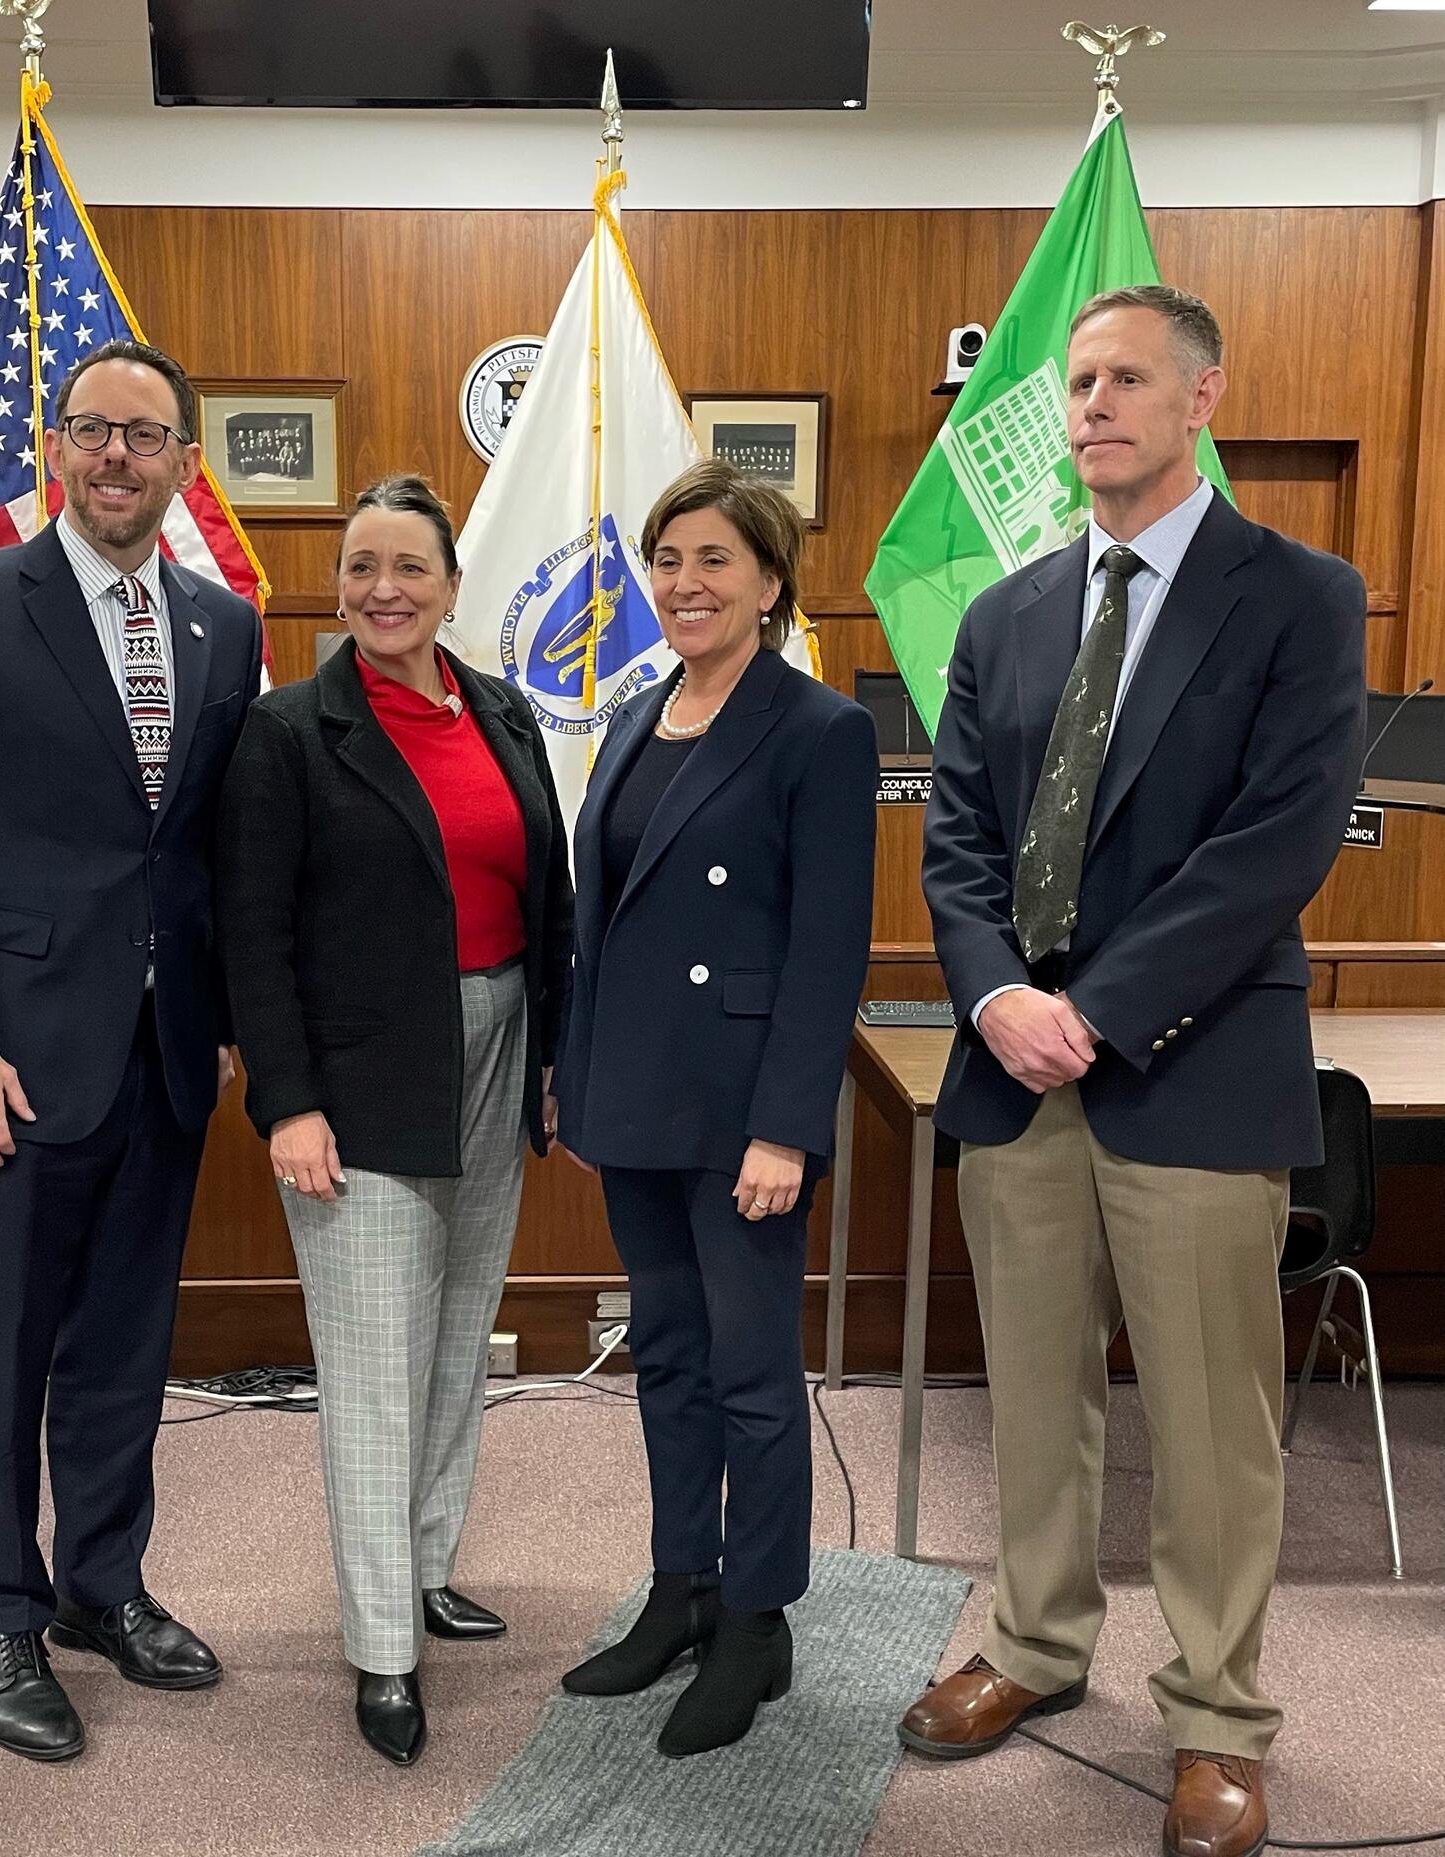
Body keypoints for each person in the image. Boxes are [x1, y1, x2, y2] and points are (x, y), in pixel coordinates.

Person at [904, 286, 1366, 1857]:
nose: (1091, 403)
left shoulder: (1297, 596)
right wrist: (990, 1002)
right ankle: (1035, 1645)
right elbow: (955, 838)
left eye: (1123, 379)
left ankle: (1218, 1717)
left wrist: (1089, 1008)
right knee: (1030, 1397)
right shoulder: (1006, 612)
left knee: (1208, 1422)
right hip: (1012, 1076)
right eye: (1077, 381)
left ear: (1199, 397)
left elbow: (1273, 846)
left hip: (1187, 1062)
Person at [0, 339, 263, 1761]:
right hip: (11, 1070)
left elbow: (207, 852)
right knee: (3, 1355)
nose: (118, 456)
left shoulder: (226, 626)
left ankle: (104, 1581)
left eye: (147, 435)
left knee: (120, 1345)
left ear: (183, 463)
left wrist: (216, 1017)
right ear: (54, 447)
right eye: (93, 429)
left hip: (160, 1059)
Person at [214, 474, 573, 1769]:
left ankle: (422, 1569)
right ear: (340, 582)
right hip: (357, 1083)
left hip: (495, 1048)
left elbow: (549, 894)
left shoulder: (501, 709)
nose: (381, 589)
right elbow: (250, 932)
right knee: (372, 1366)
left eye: (407, 568)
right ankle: (379, 1647)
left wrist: (550, 1051)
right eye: (361, 565)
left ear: (449, 586)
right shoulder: (288, 732)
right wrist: (287, 1099)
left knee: (453, 1336)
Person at [552, 459, 877, 1758]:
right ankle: (679, 1588)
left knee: (750, 1374)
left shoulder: (815, 727)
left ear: (767, 581)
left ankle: (756, 1618)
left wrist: (787, 1124)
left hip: (743, 1105)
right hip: (636, 1093)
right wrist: (577, 1081)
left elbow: (825, 944)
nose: (684, 583)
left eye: (713, 561)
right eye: (667, 558)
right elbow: (598, 924)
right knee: (670, 1358)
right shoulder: (635, 713)